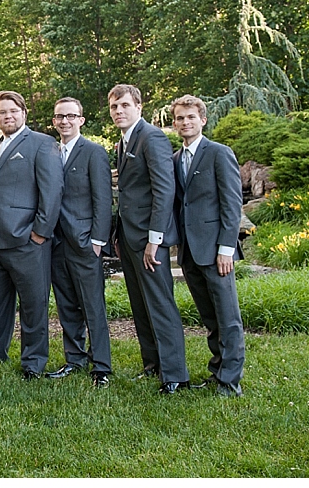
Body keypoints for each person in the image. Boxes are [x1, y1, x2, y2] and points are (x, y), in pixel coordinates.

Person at [108, 84, 189, 394]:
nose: (119, 111)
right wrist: (119, 234)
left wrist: (155, 239)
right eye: (115, 107)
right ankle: (153, 364)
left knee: (159, 303)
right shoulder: (123, 142)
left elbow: (164, 190)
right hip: (129, 237)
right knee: (140, 304)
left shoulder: (151, 138)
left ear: (139, 107)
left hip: (149, 240)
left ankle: (175, 375)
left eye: (125, 105)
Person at [0, 90, 63, 379]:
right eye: (2, 112)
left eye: (13, 111)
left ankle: (33, 361)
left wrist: (40, 232)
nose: (8, 116)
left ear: (24, 113)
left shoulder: (42, 144)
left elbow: (52, 191)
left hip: (27, 240)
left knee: (33, 304)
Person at [170, 95, 246, 397]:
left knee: (228, 317)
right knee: (209, 317)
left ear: (203, 119)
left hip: (217, 252)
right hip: (189, 252)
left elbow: (232, 202)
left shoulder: (219, 153)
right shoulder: (176, 160)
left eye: (190, 117)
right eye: (180, 118)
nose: (185, 122)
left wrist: (227, 247)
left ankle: (230, 380)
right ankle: (218, 370)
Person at [46, 97, 113, 387]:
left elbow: (103, 199)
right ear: (54, 121)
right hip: (55, 241)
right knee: (66, 304)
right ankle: (74, 358)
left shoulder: (94, 152)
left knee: (92, 305)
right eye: (60, 117)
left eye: (71, 116)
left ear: (81, 120)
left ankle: (102, 367)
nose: (65, 121)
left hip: (86, 241)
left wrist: (98, 240)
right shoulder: (49, 152)